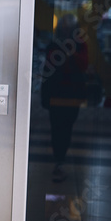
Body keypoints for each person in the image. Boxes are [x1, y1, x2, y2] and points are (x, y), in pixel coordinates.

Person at [41, 14, 88, 182]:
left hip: (72, 96)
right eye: (64, 28)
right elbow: (48, 69)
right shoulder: (53, 46)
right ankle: (58, 160)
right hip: (56, 95)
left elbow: (84, 65)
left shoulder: (80, 45)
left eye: (69, 28)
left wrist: (72, 53)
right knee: (57, 129)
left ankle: (60, 159)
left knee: (66, 129)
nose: (66, 31)